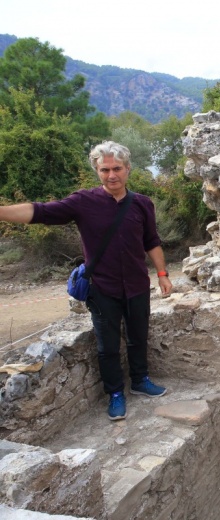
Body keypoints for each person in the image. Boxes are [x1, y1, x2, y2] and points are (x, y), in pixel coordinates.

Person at [0, 141, 172, 420]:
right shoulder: (83, 202)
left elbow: (151, 241)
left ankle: (140, 381)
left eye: (117, 168)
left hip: (138, 285)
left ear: (128, 169)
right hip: (102, 289)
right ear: (97, 170)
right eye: (104, 170)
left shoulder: (142, 204)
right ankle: (115, 393)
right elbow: (40, 211)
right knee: (107, 347)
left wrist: (163, 274)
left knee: (138, 337)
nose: (111, 175)